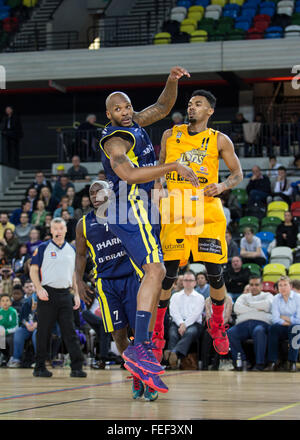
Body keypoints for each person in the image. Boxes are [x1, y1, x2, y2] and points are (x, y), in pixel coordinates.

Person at [98, 66, 198, 389]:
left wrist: (171, 81)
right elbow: (127, 174)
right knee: (155, 271)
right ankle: (139, 346)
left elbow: (163, 107)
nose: (125, 113)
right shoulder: (115, 140)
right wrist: (172, 166)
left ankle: (141, 354)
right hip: (129, 206)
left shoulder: (135, 122)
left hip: (142, 209)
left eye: (127, 107)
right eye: (118, 109)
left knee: (151, 279)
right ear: (108, 114)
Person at [154, 89, 243, 363]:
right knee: (168, 274)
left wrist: (223, 185)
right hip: (175, 208)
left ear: (210, 111)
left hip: (205, 208)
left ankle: (217, 323)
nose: (192, 108)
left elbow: (237, 174)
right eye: (190, 104)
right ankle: (157, 330)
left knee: (215, 272)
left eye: (198, 104)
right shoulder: (171, 134)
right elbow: (159, 171)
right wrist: (157, 200)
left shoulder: (219, 140)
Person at [75, 181, 160, 400]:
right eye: (91, 192)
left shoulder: (126, 214)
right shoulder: (84, 224)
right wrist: (79, 281)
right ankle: (135, 372)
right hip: (106, 283)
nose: (95, 195)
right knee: (119, 334)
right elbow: (81, 255)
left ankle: (149, 377)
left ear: (110, 193)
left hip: (132, 277)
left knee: (139, 332)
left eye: (99, 190)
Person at [30, 217, 86, 378]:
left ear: (66, 230)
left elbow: (74, 275)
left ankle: (77, 367)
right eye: (55, 228)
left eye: (61, 228)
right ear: (51, 230)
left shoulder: (72, 250)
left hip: (65, 294)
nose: (58, 231)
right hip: (47, 294)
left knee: (70, 332)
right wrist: (38, 288)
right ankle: (39, 367)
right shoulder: (42, 248)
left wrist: (76, 294)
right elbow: (33, 270)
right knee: (43, 332)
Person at [228, 275, 273, 371]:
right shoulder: (243, 296)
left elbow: (267, 305)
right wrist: (258, 308)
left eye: (256, 285)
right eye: (251, 284)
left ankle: (259, 364)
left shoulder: (267, 295)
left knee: (259, 331)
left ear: (261, 286)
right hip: (243, 324)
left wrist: (248, 305)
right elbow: (237, 308)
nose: (254, 287)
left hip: (261, 323)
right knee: (230, 333)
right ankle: (243, 361)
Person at [164, 271, 204, 369]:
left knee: (190, 332)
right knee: (172, 333)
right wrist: (181, 323)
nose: (188, 282)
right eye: (186, 280)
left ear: (195, 282)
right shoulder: (175, 296)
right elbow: (173, 312)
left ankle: (174, 353)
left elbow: (196, 314)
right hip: (177, 322)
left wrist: (184, 324)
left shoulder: (200, 297)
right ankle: (172, 362)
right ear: (182, 282)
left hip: (194, 324)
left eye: (190, 280)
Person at [266, 276, 300, 372]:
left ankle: (292, 362)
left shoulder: (298, 298)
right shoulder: (276, 298)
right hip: (283, 326)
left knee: (295, 328)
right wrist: (286, 321)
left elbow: (299, 319)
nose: (283, 287)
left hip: (296, 327)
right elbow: (275, 318)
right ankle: (272, 362)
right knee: (273, 328)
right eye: (280, 285)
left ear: (291, 286)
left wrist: (284, 318)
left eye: (285, 285)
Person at [201, 293, 233, 370]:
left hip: (223, 325)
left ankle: (216, 364)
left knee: (220, 336)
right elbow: (208, 316)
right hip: (212, 325)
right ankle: (204, 365)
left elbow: (227, 317)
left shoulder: (228, 299)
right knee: (206, 335)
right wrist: (214, 327)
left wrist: (219, 327)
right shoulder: (208, 300)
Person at [7, 292, 37, 368]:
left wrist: (37, 324)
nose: (34, 305)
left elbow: (48, 318)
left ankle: (39, 360)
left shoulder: (46, 302)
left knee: (36, 334)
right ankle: (16, 359)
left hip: (40, 327)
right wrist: (27, 324)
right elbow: (22, 318)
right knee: (18, 332)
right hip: (27, 326)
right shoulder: (26, 302)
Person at [0, 293, 19, 366]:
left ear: (10, 303)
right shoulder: (0, 312)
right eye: (3, 301)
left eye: (7, 300)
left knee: (10, 339)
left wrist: (6, 331)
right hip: (2, 332)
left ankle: (12, 357)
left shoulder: (13, 311)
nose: (5, 302)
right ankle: (3, 356)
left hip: (11, 332)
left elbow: (16, 326)